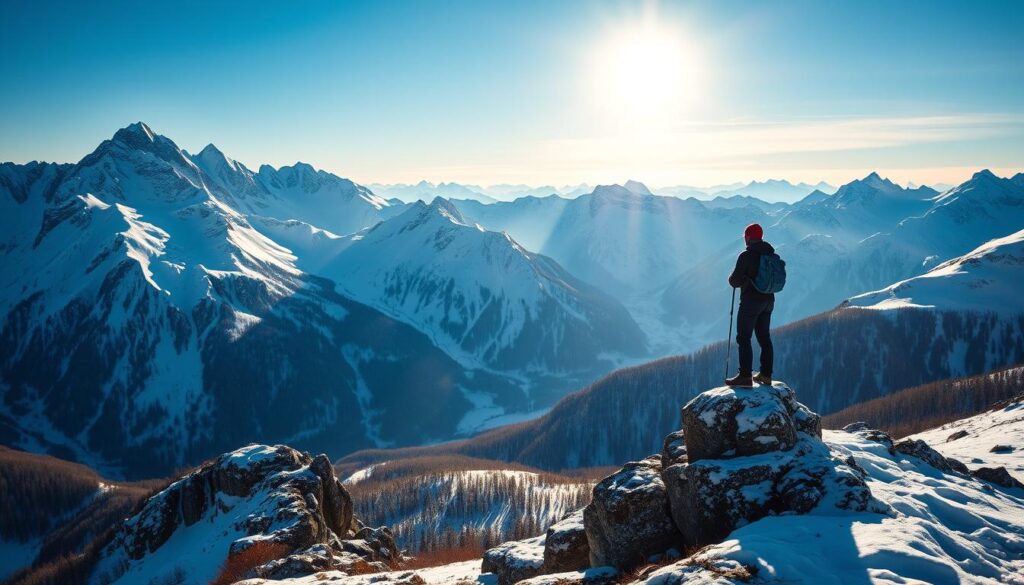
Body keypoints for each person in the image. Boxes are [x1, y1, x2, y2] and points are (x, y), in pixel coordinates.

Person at [725, 223, 775, 387]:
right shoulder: (770, 254)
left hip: (751, 302)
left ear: (747, 237)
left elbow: (735, 280)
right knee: (764, 338)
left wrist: (731, 279)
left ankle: (745, 376)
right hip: (768, 301)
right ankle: (766, 375)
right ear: (760, 237)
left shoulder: (746, 256)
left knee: (744, 337)